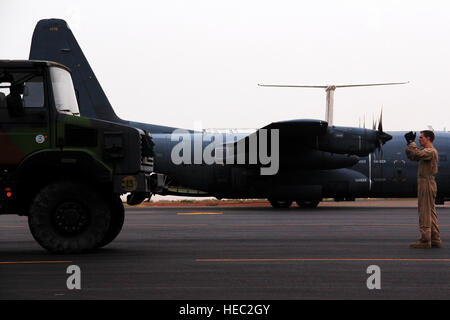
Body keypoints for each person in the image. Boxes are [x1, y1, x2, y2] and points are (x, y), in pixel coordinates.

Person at [405, 130, 441, 248]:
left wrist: (411, 143)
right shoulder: (427, 152)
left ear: (428, 139)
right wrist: (410, 144)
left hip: (426, 183)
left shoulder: (430, 151)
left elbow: (417, 154)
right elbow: (413, 156)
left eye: (421, 137)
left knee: (424, 211)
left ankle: (425, 240)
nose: (419, 139)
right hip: (427, 182)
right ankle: (435, 238)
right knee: (430, 211)